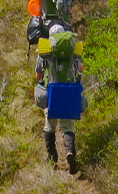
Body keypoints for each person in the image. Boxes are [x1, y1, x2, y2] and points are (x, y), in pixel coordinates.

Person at [34, 23, 85, 172]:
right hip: (69, 91)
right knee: (67, 125)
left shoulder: (46, 50)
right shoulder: (73, 49)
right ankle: (70, 151)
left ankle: (52, 159)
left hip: (53, 90)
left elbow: (38, 74)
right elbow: (81, 69)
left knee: (49, 125)